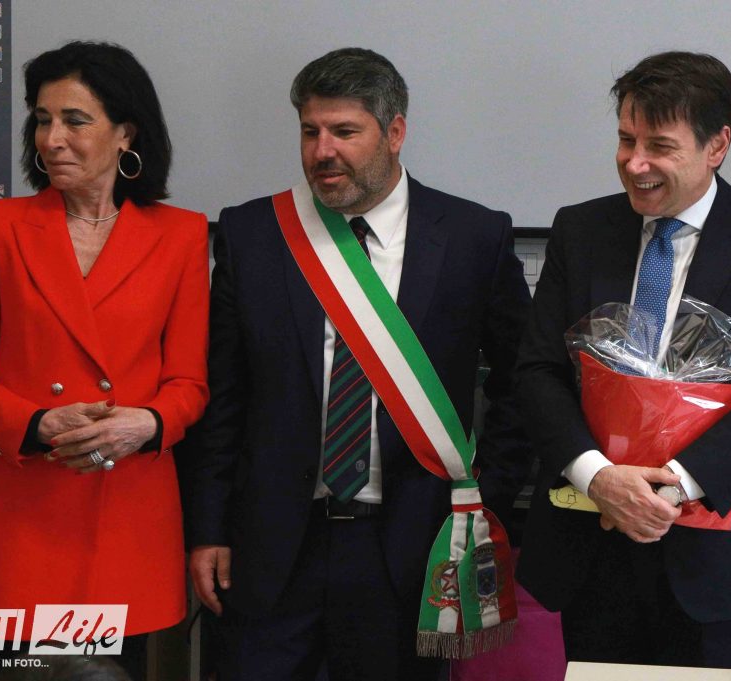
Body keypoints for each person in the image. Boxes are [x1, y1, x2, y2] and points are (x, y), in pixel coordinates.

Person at [185, 47, 531, 681]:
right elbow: (225, 395)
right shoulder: (253, 233)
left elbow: (522, 381)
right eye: (310, 132)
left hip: (413, 547)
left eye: (344, 131)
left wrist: (488, 500)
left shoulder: (474, 236)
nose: (322, 151)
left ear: (395, 132)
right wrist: (208, 528)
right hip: (272, 547)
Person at [515, 51, 731, 669]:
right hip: (593, 537)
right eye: (626, 140)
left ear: (717, 146)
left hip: (718, 552)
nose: (635, 163)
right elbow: (537, 371)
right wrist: (599, 478)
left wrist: (673, 485)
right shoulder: (581, 229)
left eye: (660, 146)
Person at [0, 41, 209, 680]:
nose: (51, 139)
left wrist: (148, 422)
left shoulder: (181, 235)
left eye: (75, 121)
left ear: (125, 132)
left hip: (123, 514)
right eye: (42, 119)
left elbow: (188, 383)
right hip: (16, 516)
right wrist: (36, 423)